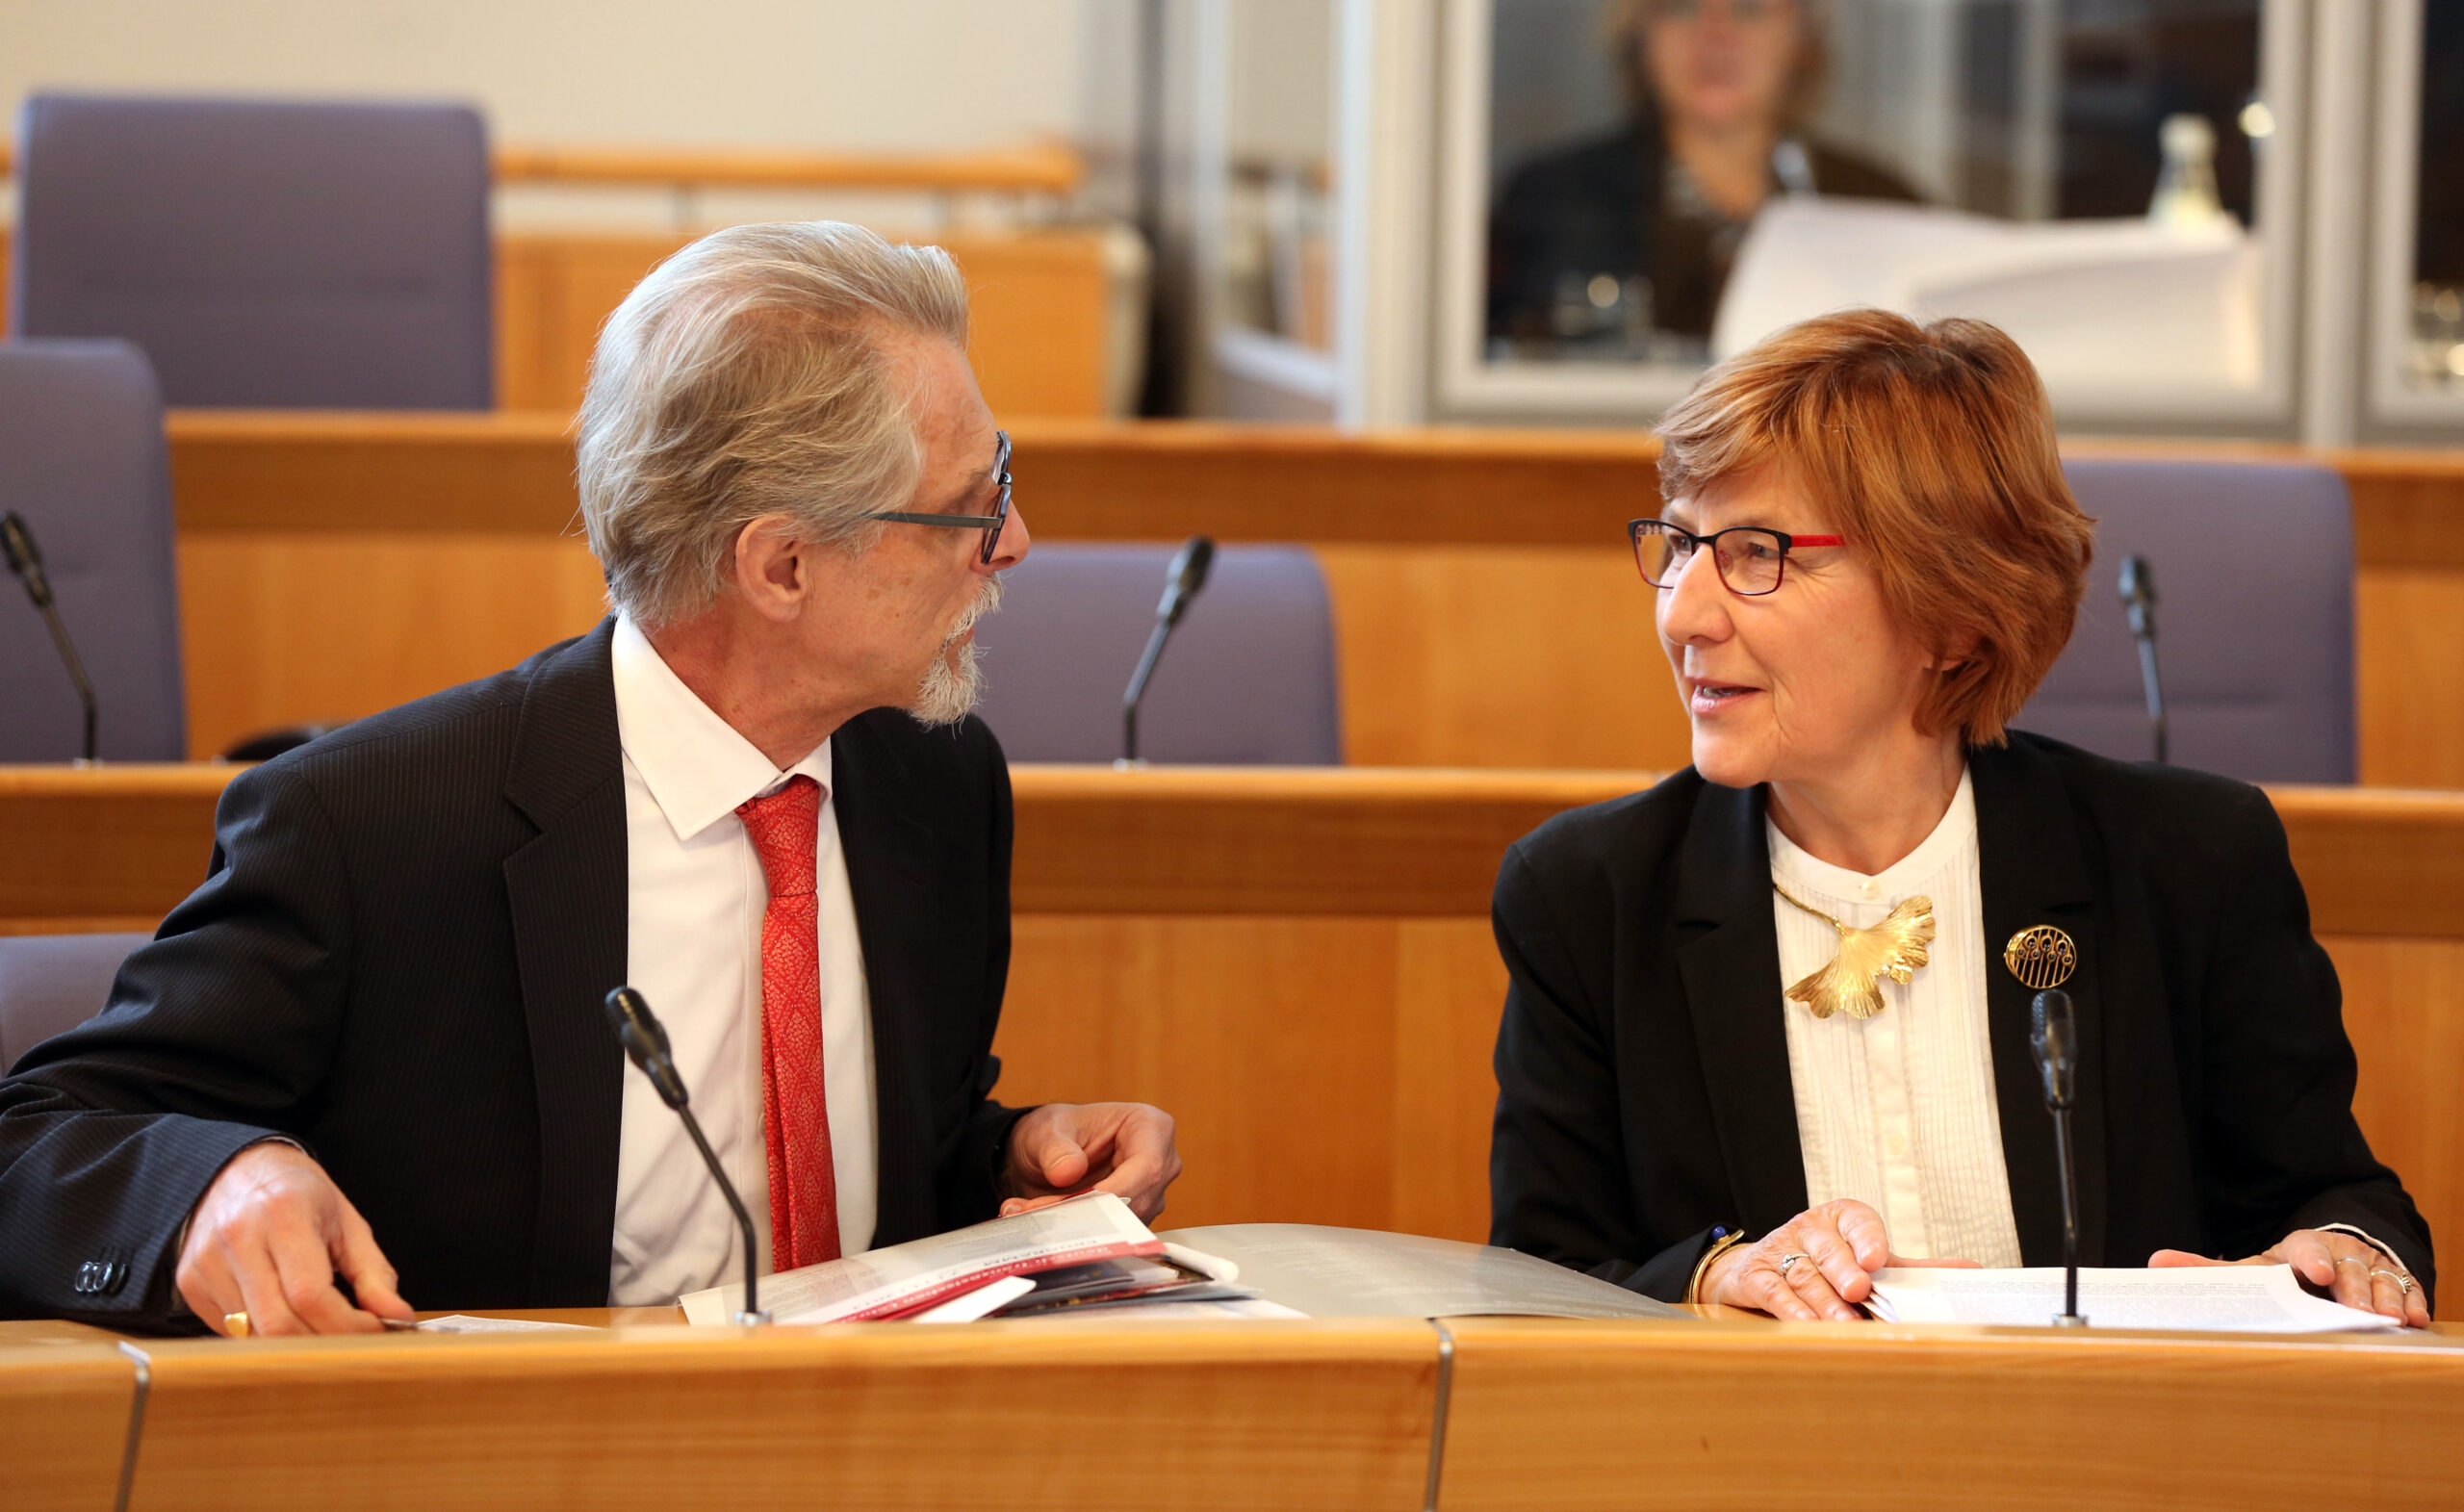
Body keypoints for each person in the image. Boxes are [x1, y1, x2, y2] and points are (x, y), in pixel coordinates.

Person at [0, 222, 1182, 1335]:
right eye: (976, 504)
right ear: (780, 565)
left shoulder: (934, 779)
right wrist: (212, 1177)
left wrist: (1016, 1150)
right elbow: (38, 1141)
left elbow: (873, 1155)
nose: (1015, 542)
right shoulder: (373, 827)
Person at [1488, 308, 2434, 1325]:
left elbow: (2339, 1200)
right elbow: (1540, 1272)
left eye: (1756, 551)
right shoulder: (1591, 893)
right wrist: (1712, 1273)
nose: (1683, 610)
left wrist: (2341, 1252)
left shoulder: (2186, 862)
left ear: (1948, 610)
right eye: (1679, 543)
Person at [1489, 0, 1917, 350]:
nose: (1715, 35)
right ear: (1640, 35)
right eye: (1682, 7)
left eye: (1748, 10)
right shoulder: (1549, 201)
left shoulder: (1884, 208)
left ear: (1802, 38)